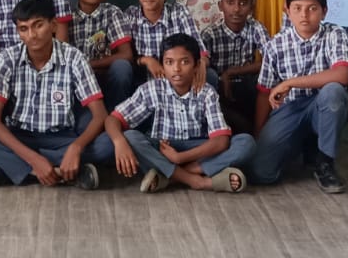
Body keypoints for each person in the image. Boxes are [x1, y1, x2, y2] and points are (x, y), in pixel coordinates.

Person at [0, 0, 115, 189]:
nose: (32, 35)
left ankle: (13, 168)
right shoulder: (7, 59)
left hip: (62, 138)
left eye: (38, 25)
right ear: (18, 32)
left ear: (53, 25)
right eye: (24, 29)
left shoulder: (74, 58)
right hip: (19, 138)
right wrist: (33, 159)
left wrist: (75, 148)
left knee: (108, 144)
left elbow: (99, 115)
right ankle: (58, 171)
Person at [108, 33, 255, 193]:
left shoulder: (206, 92)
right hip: (163, 149)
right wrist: (119, 142)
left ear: (196, 66)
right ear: (162, 65)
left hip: (197, 150)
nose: (176, 69)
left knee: (246, 142)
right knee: (130, 137)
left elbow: (221, 141)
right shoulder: (152, 89)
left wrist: (180, 158)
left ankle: (171, 176)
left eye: (184, 62)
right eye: (169, 62)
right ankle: (198, 181)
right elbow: (112, 120)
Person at [247, 0, 348, 194]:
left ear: (324, 11)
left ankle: (325, 163)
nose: (304, 15)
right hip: (290, 109)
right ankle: (301, 145)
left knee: (333, 92)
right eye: (297, 8)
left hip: (321, 106)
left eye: (312, 9)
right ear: (287, 11)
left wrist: (290, 82)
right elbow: (264, 93)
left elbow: (342, 74)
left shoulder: (334, 33)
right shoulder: (276, 44)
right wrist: (260, 135)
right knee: (261, 172)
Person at [121, 0, 209, 94]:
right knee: (121, 69)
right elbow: (125, 56)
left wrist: (201, 62)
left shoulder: (178, 13)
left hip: (175, 79)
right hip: (141, 81)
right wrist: (145, 60)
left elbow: (200, 50)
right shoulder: (129, 16)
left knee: (209, 75)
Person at [199, 0, 268, 134]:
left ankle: (257, 130)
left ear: (251, 7)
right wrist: (223, 78)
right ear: (220, 5)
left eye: (243, 3)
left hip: (247, 87)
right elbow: (203, 67)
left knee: (266, 77)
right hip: (220, 91)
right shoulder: (209, 34)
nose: (236, 9)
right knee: (209, 79)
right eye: (230, 2)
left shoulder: (256, 28)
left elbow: (271, 61)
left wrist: (231, 72)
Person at [66, 0, 136, 110]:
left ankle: (117, 114)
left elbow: (126, 54)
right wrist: (83, 69)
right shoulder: (67, 16)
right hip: (77, 80)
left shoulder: (112, 13)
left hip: (105, 77)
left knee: (122, 67)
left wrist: (91, 65)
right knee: (86, 122)